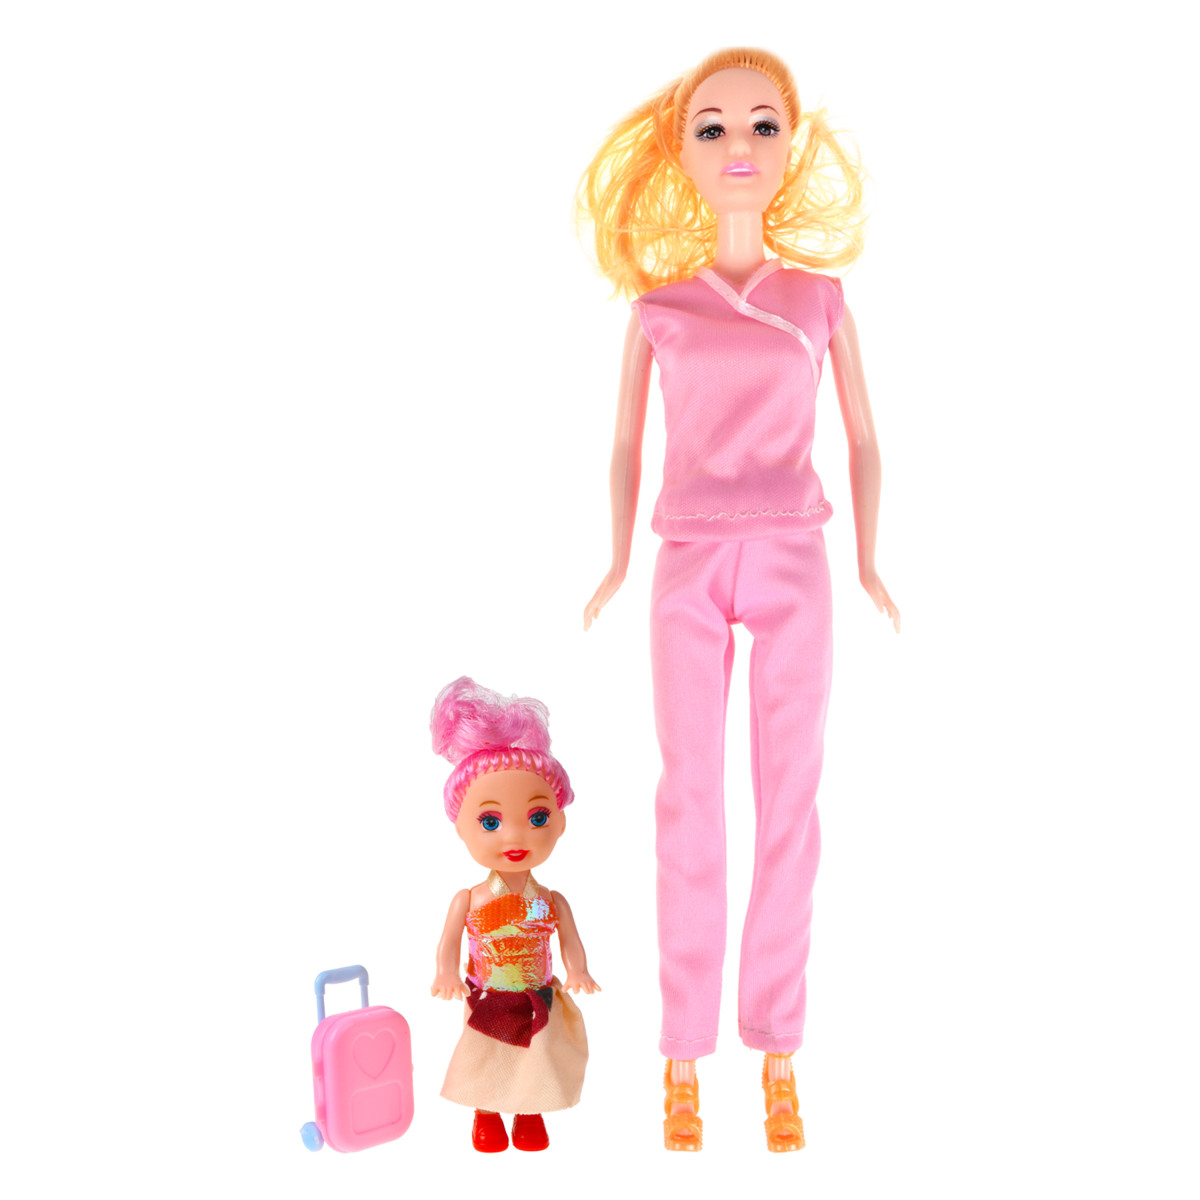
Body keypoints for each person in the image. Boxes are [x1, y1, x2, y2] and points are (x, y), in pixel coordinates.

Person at [578, 47, 899, 1152]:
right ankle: (681, 1054)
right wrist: (615, 559)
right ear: (681, 150)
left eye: (763, 124)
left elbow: (864, 438)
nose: (740, 146)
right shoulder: (659, 308)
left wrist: (868, 559)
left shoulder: (818, 299)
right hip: (683, 559)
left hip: (795, 555)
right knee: (691, 802)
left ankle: (777, 1048)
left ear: (792, 143)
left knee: (789, 801)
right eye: (712, 127)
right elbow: (625, 445)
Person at [430, 676, 600, 1152]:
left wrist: (579, 970)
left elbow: (569, 940)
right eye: (490, 821)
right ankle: (485, 1114)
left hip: (536, 995)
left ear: (559, 822)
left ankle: (529, 1114)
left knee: (536, 1061)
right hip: (487, 994)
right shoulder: (469, 899)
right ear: (462, 828)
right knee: (484, 1059)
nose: (513, 837)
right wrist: (446, 972)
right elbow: (448, 942)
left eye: (537, 817)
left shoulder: (552, 900)